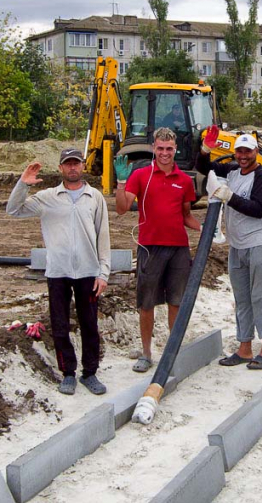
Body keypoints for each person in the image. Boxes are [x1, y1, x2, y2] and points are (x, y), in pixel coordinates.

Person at [6, 148, 111, 396]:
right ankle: (68, 374)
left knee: (89, 324)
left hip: (88, 272)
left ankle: (90, 373)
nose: (72, 168)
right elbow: (13, 210)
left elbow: (103, 237)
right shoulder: (47, 198)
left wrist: (103, 273)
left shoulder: (94, 197)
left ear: (83, 166)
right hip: (58, 272)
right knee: (60, 325)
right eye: (67, 164)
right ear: (61, 168)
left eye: (76, 163)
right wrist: (23, 184)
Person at [114, 127, 201, 373]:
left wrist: (204, 229)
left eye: (169, 148)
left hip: (178, 250)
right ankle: (146, 353)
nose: (164, 153)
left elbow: (186, 216)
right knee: (147, 303)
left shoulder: (184, 181)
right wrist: (121, 182)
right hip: (149, 248)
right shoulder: (141, 176)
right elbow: (122, 209)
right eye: (160, 148)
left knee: (176, 302)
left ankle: (172, 352)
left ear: (176, 149)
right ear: (154, 148)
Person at [196, 127, 262, 370]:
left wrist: (230, 197)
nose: (243, 156)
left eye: (247, 151)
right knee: (242, 298)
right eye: (239, 151)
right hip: (238, 245)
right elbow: (204, 168)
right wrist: (205, 149)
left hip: (260, 244)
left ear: (255, 152)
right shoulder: (233, 169)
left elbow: (258, 209)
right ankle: (244, 348)